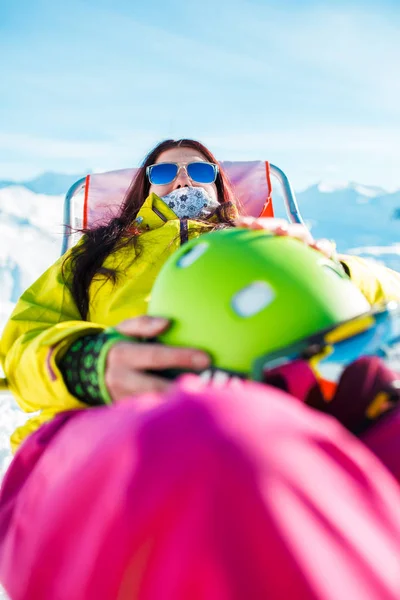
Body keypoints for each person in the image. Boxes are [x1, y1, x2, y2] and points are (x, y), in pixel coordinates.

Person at [1, 138, 400, 599]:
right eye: (164, 173)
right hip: (113, 418)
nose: (183, 179)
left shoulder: (264, 239)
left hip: (280, 400)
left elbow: (389, 291)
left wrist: (331, 268)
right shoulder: (94, 256)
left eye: (200, 171)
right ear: (146, 188)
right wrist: (88, 361)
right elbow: (20, 342)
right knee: (213, 439)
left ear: (220, 183)